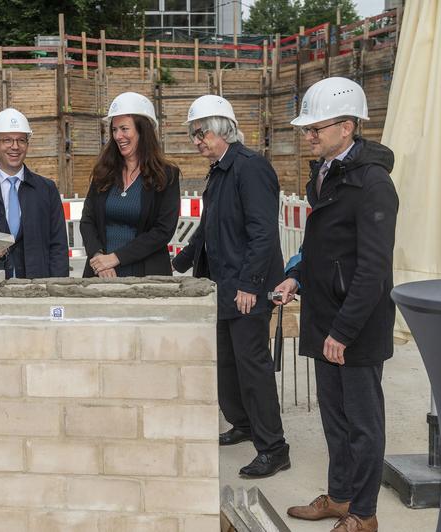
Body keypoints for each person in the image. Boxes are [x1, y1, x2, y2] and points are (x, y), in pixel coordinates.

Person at [274, 76, 398, 532]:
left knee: (363, 427)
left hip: (356, 329)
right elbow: (323, 249)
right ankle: (341, 498)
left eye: (316, 128)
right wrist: (295, 277)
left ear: (347, 127)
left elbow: (372, 270)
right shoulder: (326, 174)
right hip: (326, 320)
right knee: (336, 421)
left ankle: (364, 516)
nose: (309, 135)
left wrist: (343, 332)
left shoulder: (373, 184)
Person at [173, 94, 289, 478]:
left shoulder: (250, 167)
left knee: (252, 368)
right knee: (227, 364)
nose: (196, 141)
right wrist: (182, 259)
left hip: (246, 291)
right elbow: (209, 225)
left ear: (222, 129)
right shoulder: (219, 170)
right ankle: (243, 424)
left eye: (200, 133)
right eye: (193, 134)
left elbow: (263, 233)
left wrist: (250, 284)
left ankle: (273, 447)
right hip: (221, 285)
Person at [79, 92, 180, 277]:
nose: (118, 136)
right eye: (114, 129)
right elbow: (87, 220)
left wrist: (116, 258)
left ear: (143, 130)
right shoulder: (104, 171)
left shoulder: (166, 175)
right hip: (101, 273)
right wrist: (99, 258)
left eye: (124, 129)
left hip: (147, 277)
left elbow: (163, 231)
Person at [0, 108, 68, 278]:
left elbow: (58, 246)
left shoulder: (46, 189)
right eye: (7, 140)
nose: (15, 146)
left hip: (37, 287)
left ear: (27, 145)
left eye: (21, 140)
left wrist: (58, 287)